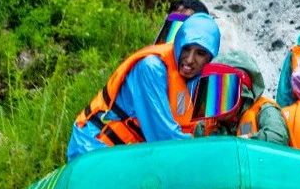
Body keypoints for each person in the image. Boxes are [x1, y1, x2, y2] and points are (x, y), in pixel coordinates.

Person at [67, 13, 221, 160]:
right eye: (186, 49)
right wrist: (205, 153)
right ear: (178, 43)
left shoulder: (194, 79)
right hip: (94, 147)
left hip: (128, 152)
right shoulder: (151, 68)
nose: (189, 60)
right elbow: (165, 139)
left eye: (200, 53)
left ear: (209, 58)